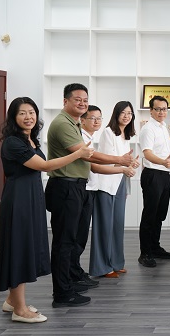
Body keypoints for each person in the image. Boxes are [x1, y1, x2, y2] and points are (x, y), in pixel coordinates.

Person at [0, 97, 93, 323]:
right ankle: (20, 310)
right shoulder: (13, 142)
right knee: (19, 249)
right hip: (19, 200)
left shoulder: (29, 140)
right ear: (13, 117)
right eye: (22, 113)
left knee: (25, 247)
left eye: (31, 112)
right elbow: (44, 166)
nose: (28, 117)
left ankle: (12, 300)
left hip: (31, 197)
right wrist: (78, 154)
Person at [45, 83, 134, 308]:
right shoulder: (62, 124)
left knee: (75, 239)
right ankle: (62, 293)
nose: (82, 103)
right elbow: (88, 156)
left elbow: (89, 160)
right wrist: (120, 161)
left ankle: (71, 281)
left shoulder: (73, 124)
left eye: (85, 100)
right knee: (65, 242)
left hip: (78, 186)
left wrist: (121, 164)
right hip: (66, 186)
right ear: (65, 101)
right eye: (78, 99)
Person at [89, 102, 138, 278]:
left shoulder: (126, 135)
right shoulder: (108, 132)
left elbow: (121, 161)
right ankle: (102, 267)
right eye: (123, 112)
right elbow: (106, 161)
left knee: (117, 225)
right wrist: (124, 164)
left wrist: (131, 163)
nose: (126, 116)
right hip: (106, 183)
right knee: (104, 227)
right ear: (116, 114)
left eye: (129, 113)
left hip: (120, 182)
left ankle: (116, 263)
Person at [138, 95, 170, 268]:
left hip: (165, 174)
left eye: (164, 109)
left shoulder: (163, 126)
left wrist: (166, 166)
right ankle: (145, 253)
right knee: (150, 215)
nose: (161, 112)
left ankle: (155, 247)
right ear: (151, 110)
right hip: (153, 174)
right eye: (158, 109)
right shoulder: (148, 129)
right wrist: (163, 162)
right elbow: (147, 153)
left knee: (160, 215)